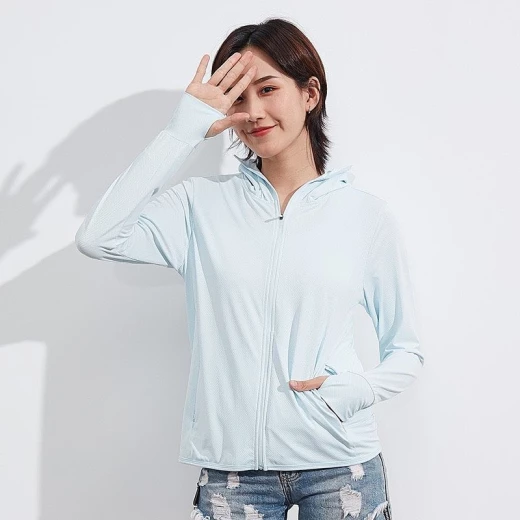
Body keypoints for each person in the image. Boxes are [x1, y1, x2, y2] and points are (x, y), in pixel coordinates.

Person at [75, 17, 425, 520]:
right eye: (238, 98)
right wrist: (181, 132)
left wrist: (359, 390)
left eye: (268, 89)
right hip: (232, 474)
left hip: (340, 465)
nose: (253, 111)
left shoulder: (364, 217)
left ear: (310, 93)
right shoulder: (199, 205)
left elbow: (406, 349)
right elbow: (99, 237)